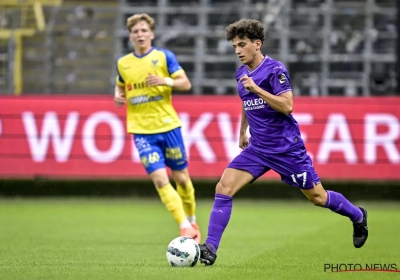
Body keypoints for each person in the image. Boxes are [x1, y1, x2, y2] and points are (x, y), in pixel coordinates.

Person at [198, 19, 368, 265]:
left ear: (257, 44)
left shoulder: (275, 70)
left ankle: (357, 216)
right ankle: (210, 249)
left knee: (318, 198)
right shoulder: (241, 73)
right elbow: (246, 102)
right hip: (258, 149)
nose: (237, 50)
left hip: (287, 150)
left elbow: (287, 106)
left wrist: (257, 89)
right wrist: (242, 131)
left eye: (242, 44)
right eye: (234, 45)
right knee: (223, 188)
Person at [113, 13, 201, 243]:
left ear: (151, 34)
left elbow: (186, 83)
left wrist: (165, 81)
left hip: (168, 126)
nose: (140, 34)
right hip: (142, 131)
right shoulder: (124, 63)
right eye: (136, 31)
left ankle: (192, 220)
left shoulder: (164, 57)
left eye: (144, 30)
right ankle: (184, 226)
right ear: (130, 36)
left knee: (181, 178)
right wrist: (118, 96)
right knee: (161, 179)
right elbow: (121, 84)